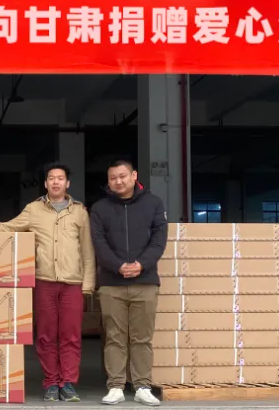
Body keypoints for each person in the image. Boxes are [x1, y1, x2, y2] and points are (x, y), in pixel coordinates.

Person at [0, 162, 95, 402]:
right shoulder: (33, 210)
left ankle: (68, 384)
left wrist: (87, 285)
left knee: (71, 336)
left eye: (60, 178)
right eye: (51, 178)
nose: (55, 182)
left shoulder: (79, 212)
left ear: (67, 183)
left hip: (72, 283)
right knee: (45, 335)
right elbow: (7, 228)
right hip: (44, 281)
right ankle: (51, 383)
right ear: (45, 183)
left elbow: (87, 250)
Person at [91, 160, 167, 407]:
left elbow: (159, 239)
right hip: (111, 283)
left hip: (145, 282)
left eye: (122, 176)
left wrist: (141, 264)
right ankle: (115, 386)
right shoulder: (100, 208)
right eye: (113, 178)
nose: (118, 181)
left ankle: (142, 386)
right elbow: (98, 243)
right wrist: (118, 266)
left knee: (142, 338)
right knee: (114, 337)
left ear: (134, 175)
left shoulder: (153, 204)